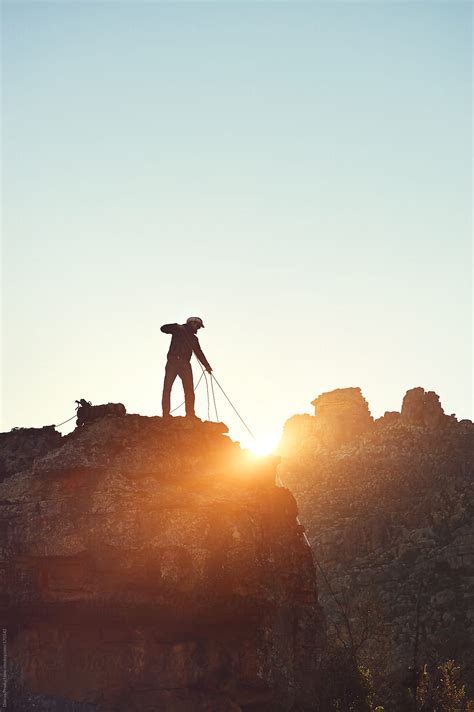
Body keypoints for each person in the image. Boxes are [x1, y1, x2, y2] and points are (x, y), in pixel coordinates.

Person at [160, 317, 212, 419]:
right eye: (197, 326)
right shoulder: (178, 330)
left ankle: (190, 414)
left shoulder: (193, 338)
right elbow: (163, 329)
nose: (198, 329)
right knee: (167, 388)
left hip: (185, 363)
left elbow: (198, 352)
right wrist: (175, 325)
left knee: (189, 390)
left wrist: (207, 366)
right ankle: (166, 414)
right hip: (173, 361)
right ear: (192, 323)